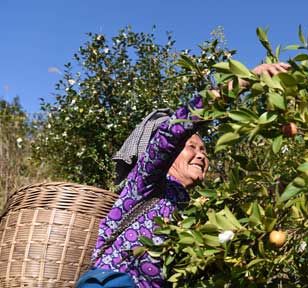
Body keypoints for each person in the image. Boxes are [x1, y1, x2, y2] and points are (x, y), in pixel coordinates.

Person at [77, 62, 290, 288]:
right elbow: (173, 132)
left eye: (204, 151)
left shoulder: (195, 210)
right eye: (191, 147)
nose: (200, 156)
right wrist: (243, 81)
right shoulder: (147, 183)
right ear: (171, 155)